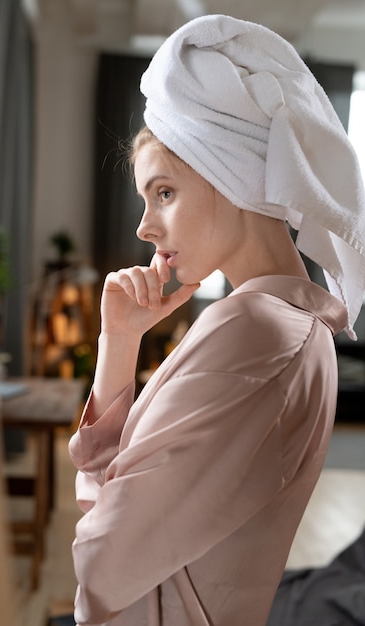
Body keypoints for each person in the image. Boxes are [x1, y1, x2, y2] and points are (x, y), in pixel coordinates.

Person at [68, 14, 365, 626]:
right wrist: (119, 343)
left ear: (230, 174)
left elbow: (99, 561)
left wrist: (102, 501)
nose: (145, 227)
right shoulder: (281, 323)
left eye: (165, 192)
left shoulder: (257, 333)